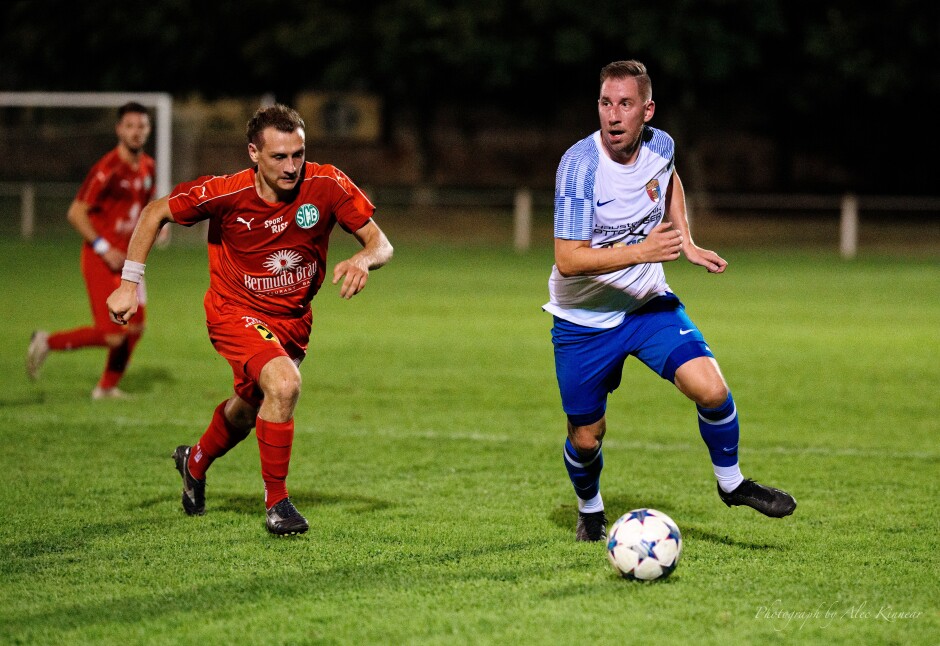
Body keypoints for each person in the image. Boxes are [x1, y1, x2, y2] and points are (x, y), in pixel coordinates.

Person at [107, 104, 393, 536]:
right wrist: (130, 283)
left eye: (298, 154)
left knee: (249, 409)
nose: (292, 166)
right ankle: (278, 504)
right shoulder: (225, 192)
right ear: (253, 154)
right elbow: (154, 212)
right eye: (279, 156)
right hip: (233, 311)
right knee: (283, 384)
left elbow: (381, 243)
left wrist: (364, 258)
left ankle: (195, 462)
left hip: (293, 322)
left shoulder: (326, 182)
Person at [545, 60, 796, 542]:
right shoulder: (580, 168)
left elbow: (670, 179)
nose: (613, 115)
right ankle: (591, 508)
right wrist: (643, 250)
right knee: (586, 436)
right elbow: (569, 259)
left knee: (713, 390)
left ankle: (731, 483)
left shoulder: (661, 145)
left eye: (625, 104)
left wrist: (687, 240)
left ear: (647, 111)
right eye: (605, 103)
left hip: (645, 304)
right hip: (583, 320)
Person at [27, 101, 157, 399]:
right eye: (130, 126)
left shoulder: (148, 166)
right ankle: (47, 341)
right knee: (113, 334)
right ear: (119, 130)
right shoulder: (107, 168)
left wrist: (157, 228)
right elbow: (76, 212)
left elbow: (146, 207)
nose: (136, 132)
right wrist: (102, 246)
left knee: (135, 329)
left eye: (142, 126)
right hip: (102, 259)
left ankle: (106, 388)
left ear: (148, 130)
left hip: (129, 260)